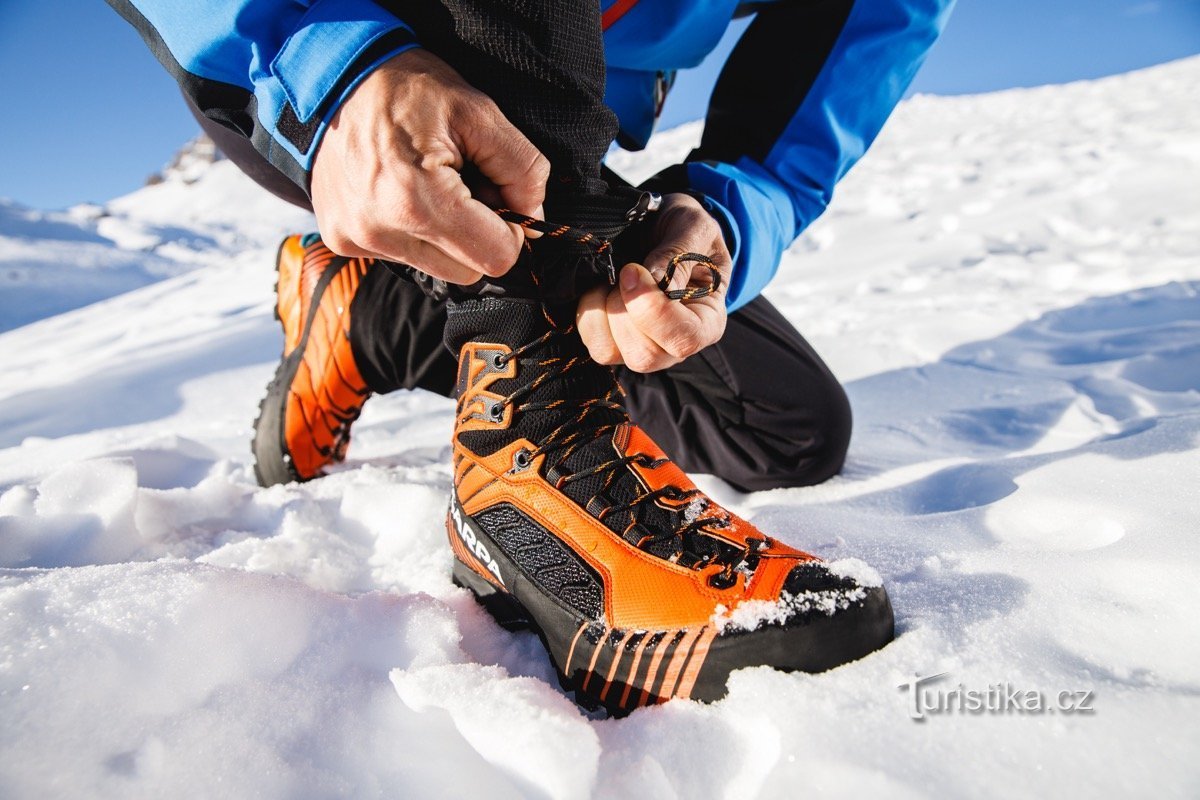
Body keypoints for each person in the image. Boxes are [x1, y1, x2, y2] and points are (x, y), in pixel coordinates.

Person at [110, 0, 953, 714]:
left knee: (783, 426)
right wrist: (319, 58)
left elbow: (852, 39)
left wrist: (716, 216)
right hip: (320, 64)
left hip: (556, 157)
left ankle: (375, 311)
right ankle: (520, 465)